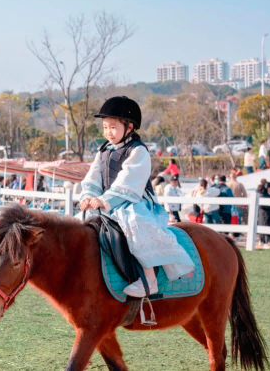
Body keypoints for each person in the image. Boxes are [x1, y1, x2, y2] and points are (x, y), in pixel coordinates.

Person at [79, 96, 194, 298]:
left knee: (135, 225)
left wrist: (105, 200)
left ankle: (149, 280)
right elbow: (94, 175)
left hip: (133, 201)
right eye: (105, 127)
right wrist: (89, 195)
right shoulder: (103, 151)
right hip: (106, 202)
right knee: (78, 223)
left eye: (113, 127)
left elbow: (129, 180)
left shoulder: (138, 150)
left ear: (129, 127)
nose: (108, 132)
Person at [257, 183, 270, 248]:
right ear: (268, 188)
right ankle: (263, 242)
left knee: (268, 228)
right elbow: (262, 205)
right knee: (265, 228)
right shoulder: (263, 195)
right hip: (264, 215)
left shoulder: (269, 195)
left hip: (268, 215)